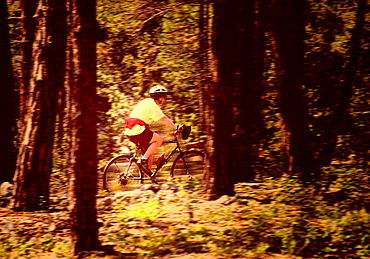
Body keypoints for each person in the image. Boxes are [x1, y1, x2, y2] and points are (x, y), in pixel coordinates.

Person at [124, 85, 179, 176]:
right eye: (164, 97)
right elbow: (163, 119)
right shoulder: (152, 105)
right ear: (159, 97)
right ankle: (143, 160)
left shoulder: (146, 102)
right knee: (159, 140)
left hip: (131, 130)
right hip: (137, 130)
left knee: (151, 152)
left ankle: (150, 178)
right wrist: (176, 127)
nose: (164, 100)